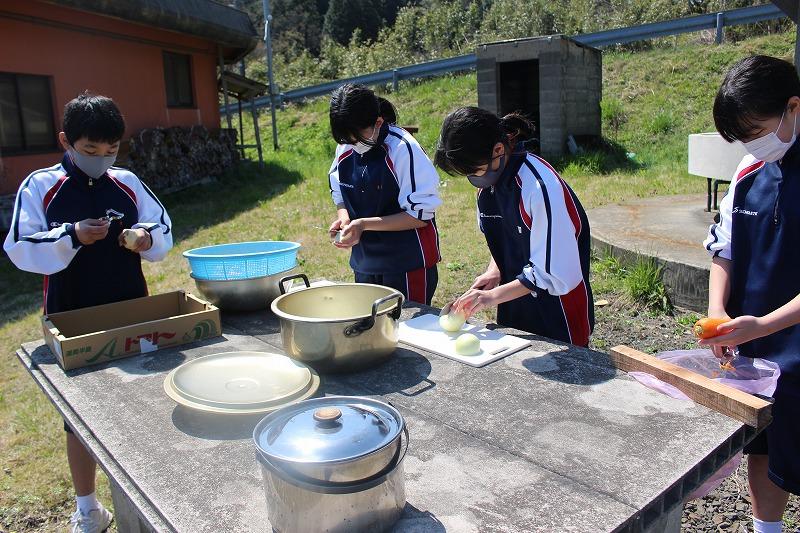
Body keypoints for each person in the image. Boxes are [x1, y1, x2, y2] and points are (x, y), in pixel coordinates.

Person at [4, 92, 173, 533]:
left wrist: (145, 238)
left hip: (130, 306)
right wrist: (72, 235)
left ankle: (152, 490)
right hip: (71, 314)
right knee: (79, 418)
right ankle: (88, 509)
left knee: (141, 401)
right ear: (66, 141)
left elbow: (161, 226)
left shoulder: (127, 182)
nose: (101, 159)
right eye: (90, 150)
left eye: (111, 150)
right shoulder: (41, 186)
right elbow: (19, 246)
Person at [702, 55, 800, 533]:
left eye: (758, 131)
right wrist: (717, 311)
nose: (753, 145)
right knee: (761, 447)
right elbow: (724, 248)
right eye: (743, 138)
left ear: (793, 108)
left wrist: (763, 324)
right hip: (754, 345)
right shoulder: (748, 171)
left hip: (789, 340)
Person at [434, 106, 593, 346]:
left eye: (474, 170)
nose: (473, 178)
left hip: (557, 309)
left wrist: (490, 297)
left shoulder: (539, 188)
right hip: (514, 301)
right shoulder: (487, 187)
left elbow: (553, 272)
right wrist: (494, 271)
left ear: (498, 150)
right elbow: (505, 238)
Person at [327, 84, 441, 304]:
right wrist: (344, 219)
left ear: (378, 122)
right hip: (365, 263)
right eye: (346, 140)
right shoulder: (346, 147)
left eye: (357, 138)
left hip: (407, 264)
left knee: (407, 323)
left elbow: (419, 215)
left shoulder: (402, 148)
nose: (353, 145)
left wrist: (362, 225)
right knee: (371, 321)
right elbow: (339, 191)